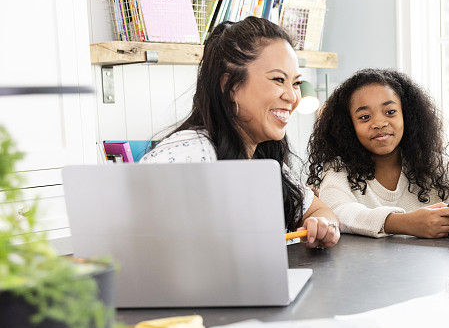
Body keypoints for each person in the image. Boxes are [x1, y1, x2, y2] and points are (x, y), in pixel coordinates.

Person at [140, 17, 339, 249]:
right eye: (278, 80)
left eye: (295, 83)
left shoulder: (263, 155)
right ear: (230, 86)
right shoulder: (189, 153)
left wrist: (323, 224)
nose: (293, 97)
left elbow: (318, 209)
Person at [305, 68, 449, 238]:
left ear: (407, 117)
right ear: (347, 126)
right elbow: (337, 212)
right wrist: (405, 223)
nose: (379, 123)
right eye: (364, 117)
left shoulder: (435, 165)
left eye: (390, 112)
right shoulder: (339, 170)